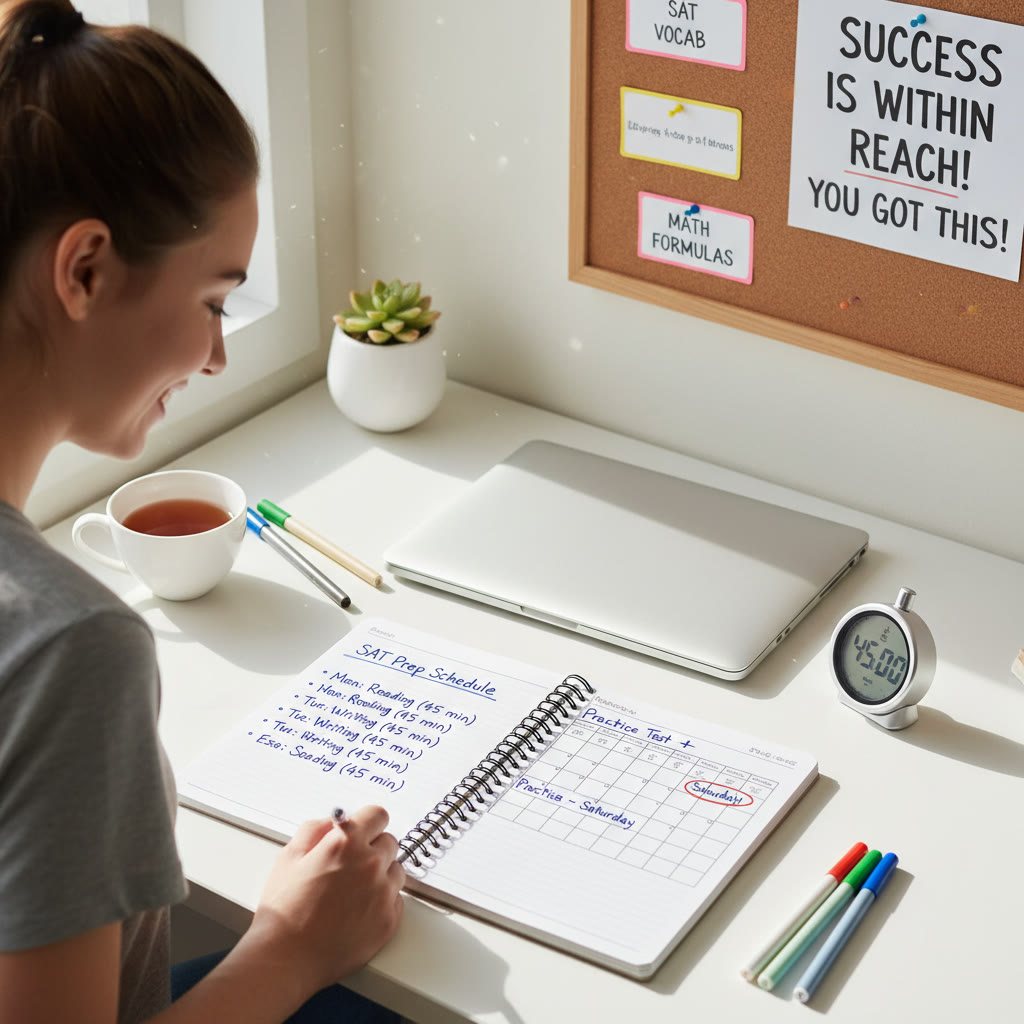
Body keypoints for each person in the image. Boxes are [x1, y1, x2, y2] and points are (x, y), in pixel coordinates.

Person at [0, 2, 405, 1022]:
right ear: (85, 270)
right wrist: (290, 948)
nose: (218, 356)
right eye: (215, 300)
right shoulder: (66, 650)